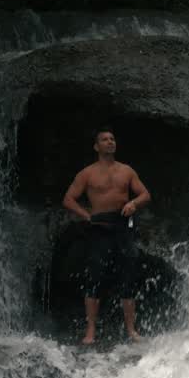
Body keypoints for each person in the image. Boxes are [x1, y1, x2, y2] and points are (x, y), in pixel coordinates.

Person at [62, 127, 151, 344]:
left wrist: (133, 203)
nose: (110, 142)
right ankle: (90, 331)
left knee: (128, 274)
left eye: (112, 139)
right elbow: (68, 199)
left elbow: (145, 195)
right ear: (96, 146)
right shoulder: (87, 173)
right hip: (98, 227)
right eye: (105, 139)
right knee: (94, 276)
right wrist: (86, 215)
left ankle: (131, 330)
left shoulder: (127, 171)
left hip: (122, 226)